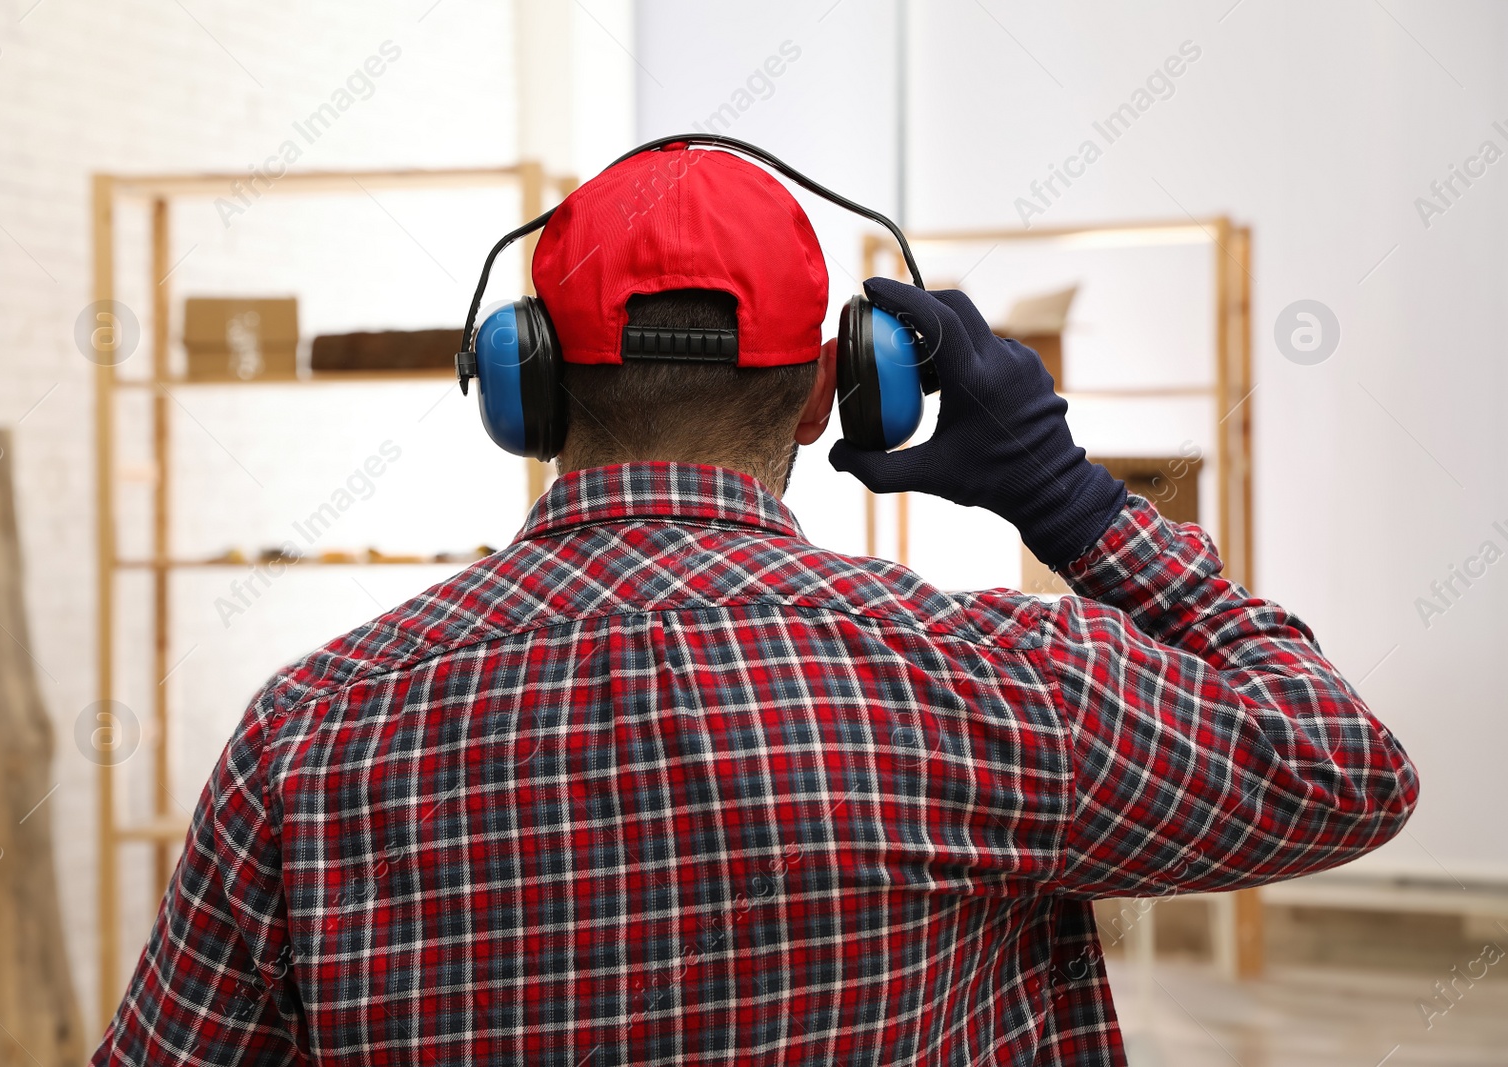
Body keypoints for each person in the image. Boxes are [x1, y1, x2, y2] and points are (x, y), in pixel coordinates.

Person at [92, 145, 1418, 1066]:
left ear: (524, 388)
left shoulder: (309, 735)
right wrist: (1071, 501)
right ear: (837, 391)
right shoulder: (990, 684)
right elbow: (1345, 766)